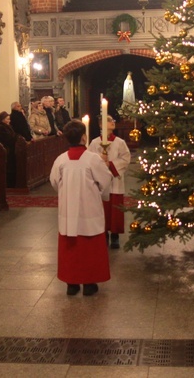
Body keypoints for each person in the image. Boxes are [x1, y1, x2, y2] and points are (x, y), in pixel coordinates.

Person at [50, 120, 113, 296]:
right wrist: (105, 168)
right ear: (84, 137)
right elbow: (105, 181)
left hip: (68, 213)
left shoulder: (60, 159)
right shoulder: (93, 158)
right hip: (89, 211)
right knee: (89, 249)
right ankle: (89, 284)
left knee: (70, 248)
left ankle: (72, 284)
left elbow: (54, 182)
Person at [87, 115, 131, 249]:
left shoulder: (120, 142)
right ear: (101, 125)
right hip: (101, 182)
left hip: (115, 181)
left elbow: (125, 159)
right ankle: (103, 233)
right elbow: (89, 159)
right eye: (109, 120)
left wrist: (110, 165)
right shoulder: (94, 143)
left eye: (113, 120)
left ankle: (115, 235)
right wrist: (100, 164)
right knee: (103, 208)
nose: (113, 122)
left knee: (115, 209)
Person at [0, 111, 19, 187]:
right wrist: (16, 138)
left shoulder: (7, 126)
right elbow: (7, 139)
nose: (9, 121)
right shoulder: (0, 128)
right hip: (5, 150)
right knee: (8, 167)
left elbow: (13, 135)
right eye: (7, 119)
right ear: (3, 119)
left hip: (9, 149)